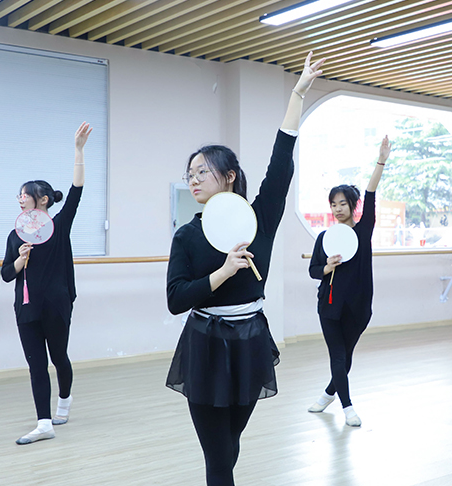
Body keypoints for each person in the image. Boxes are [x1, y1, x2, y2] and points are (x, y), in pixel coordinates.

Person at [165, 52, 325, 486]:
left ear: (230, 175)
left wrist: (296, 96)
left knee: (230, 447)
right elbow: (176, 300)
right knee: (218, 459)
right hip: (205, 344)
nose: (193, 179)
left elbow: (280, 167)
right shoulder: (186, 235)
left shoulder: (260, 219)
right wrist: (222, 272)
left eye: (202, 171)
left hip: (250, 341)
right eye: (190, 174)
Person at [1, 122, 93, 445]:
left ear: (41, 200)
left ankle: (64, 401)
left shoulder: (59, 225)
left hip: (56, 304)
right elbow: (6, 274)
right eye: (19, 195)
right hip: (26, 308)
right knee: (36, 365)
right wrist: (19, 259)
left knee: (58, 358)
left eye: (24, 195)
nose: (20, 199)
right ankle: (44, 424)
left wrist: (78, 151)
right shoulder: (15, 235)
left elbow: (76, 191)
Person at [307, 135, 391, 427]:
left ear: (352, 205)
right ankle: (347, 407)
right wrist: (327, 267)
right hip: (329, 307)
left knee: (346, 357)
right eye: (333, 204)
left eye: (342, 203)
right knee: (338, 357)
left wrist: (381, 161)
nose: (337, 209)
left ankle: (327, 394)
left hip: (358, 307)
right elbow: (313, 270)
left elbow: (371, 192)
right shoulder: (324, 237)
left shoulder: (363, 231)